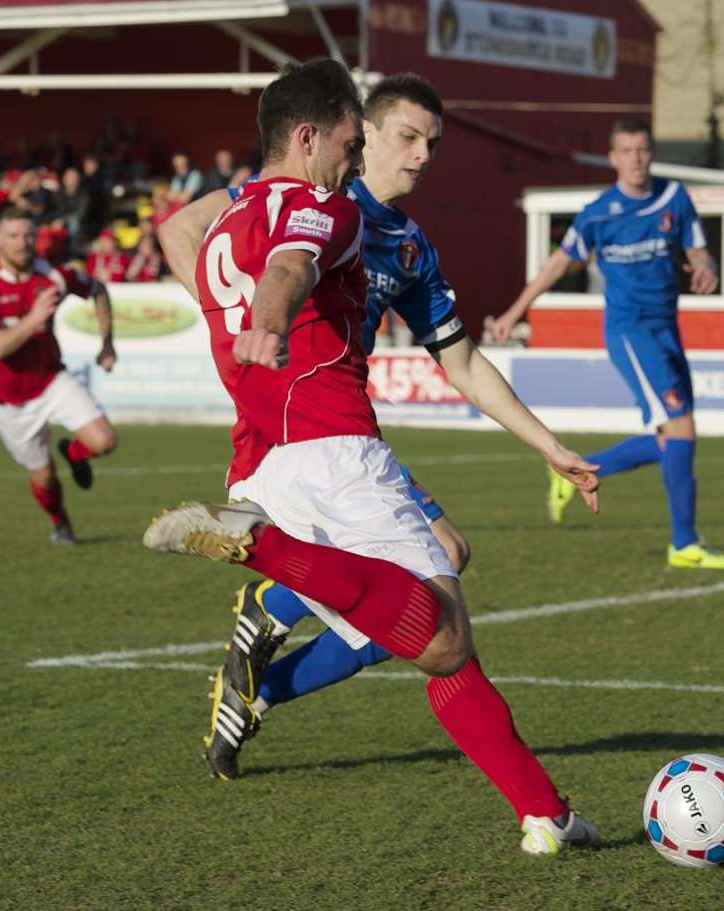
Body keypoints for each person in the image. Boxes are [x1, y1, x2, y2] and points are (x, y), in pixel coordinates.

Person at [143, 58, 601, 855]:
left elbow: (458, 360)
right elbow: (285, 264)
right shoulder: (323, 201)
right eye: (398, 137)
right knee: (442, 633)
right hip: (329, 444)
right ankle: (265, 562)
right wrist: (264, 318)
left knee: (437, 592)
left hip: (268, 453)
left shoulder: (401, 243)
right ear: (353, 133)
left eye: (433, 142)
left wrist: (548, 445)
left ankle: (546, 816)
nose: (418, 155)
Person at [493, 117, 724, 569]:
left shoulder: (674, 198)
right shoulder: (599, 213)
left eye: (642, 150)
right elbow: (556, 266)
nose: (636, 159)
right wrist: (514, 312)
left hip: (668, 327)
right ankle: (684, 545)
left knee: (675, 439)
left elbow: (698, 248)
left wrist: (707, 266)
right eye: (626, 151)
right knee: (680, 429)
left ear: (651, 152)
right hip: (630, 332)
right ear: (613, 158)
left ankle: (574, 473)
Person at [0, 207, 119, 544]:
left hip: (51, 379)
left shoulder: (52, 275)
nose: (22, 243)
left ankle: (75, 453)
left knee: (104, 441)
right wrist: (34, 318)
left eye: (28, 235)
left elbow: (98, 290)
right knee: (44, 477)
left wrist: (107, 343)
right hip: (9, 397)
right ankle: (59, 521)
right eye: (13, 236)